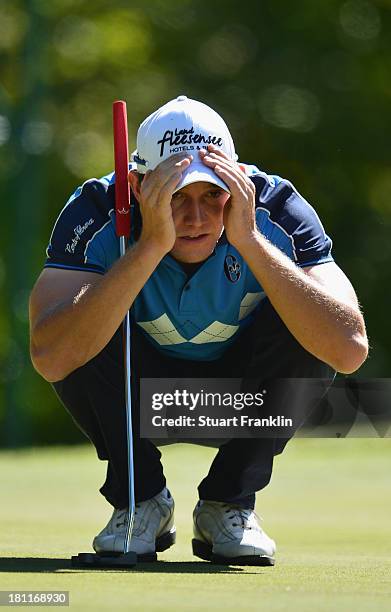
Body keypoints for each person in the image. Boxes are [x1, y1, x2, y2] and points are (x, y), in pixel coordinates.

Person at [29, 95, 368, 566]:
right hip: (137, 398)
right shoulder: (95, 211)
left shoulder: (277, 210)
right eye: (176, 197)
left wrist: (250, 240)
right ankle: (141, 500)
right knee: (88, 316)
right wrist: (148, 246)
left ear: (239, 183)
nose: (195, 218)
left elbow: (348, 349)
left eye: (214, 195)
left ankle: (228, 503)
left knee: (308, 318)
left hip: (234, 404)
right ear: (137, 186)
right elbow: (51, 355)